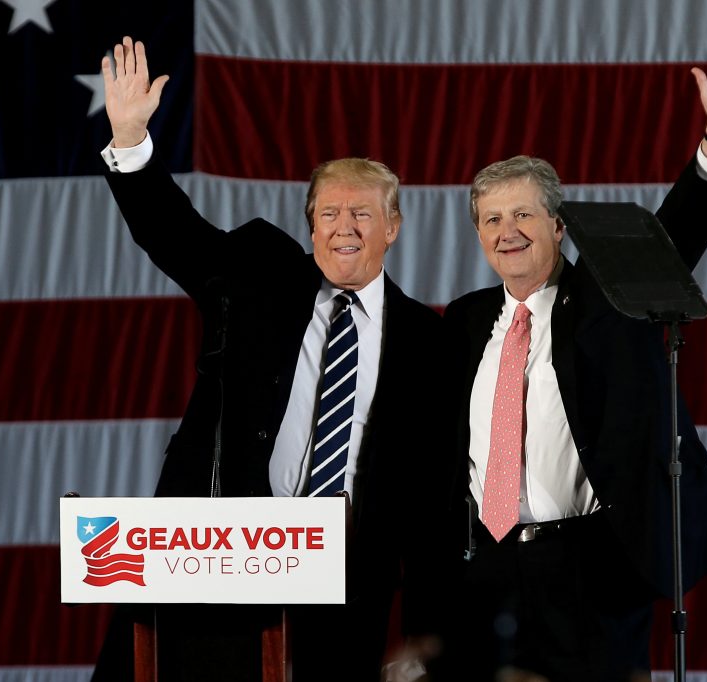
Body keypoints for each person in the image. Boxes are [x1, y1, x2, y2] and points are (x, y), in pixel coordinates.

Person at [91, 37, 455, 682]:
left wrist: (425, 635)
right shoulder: (257, 274)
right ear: (311, 225)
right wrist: (131, 141)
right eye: (329, 212)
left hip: (349, 585)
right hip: (223, 560)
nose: (344, 226)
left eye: (362, 213)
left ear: (393, 226)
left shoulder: (427, 340)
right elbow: (175, 235)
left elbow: (429, 497)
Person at [440, 35, 707, 681]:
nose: (507, 231)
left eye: (524, 214)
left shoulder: (607, 295)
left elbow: (681, 228)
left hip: (587, 567)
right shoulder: (465, 318)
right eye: (492, 219)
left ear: (558, 226)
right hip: (485, 567)